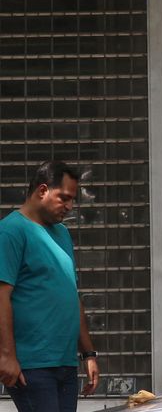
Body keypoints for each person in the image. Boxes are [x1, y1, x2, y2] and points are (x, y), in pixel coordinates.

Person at [0, 161, 97, 412]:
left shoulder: (61, 233)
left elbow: (71, 296)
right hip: (33, 364)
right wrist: (7, 356)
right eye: (64, 198)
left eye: (72, 199)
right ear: (42, 190)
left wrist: (88, 354)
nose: (70, 206)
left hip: (65, 363)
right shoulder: (11, 231)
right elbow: (1, 296)